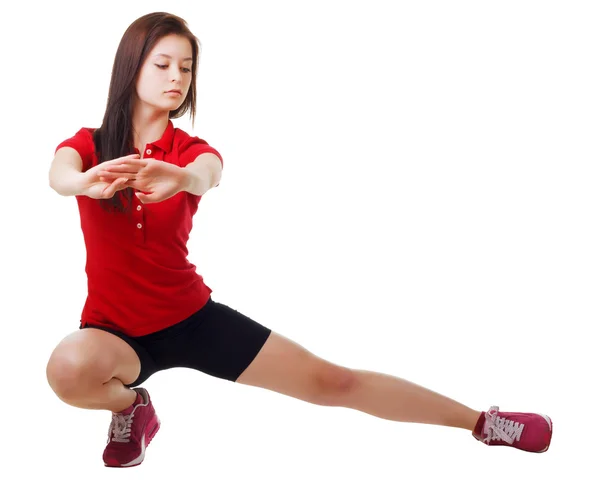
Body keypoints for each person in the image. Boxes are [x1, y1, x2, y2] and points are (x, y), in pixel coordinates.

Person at [46, 12, 553, 468]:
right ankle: (132, 408)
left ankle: (482, 423)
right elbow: (59, 174)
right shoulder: (91, 145)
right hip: (113, 334)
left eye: (186, 67)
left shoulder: (190, 150)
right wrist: (84, 182)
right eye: (163, 65)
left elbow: (207, 173)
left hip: (189, 317)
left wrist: (181, 178)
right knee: (68, 369)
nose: (177, 77)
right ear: (131, 66)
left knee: (335, 383)